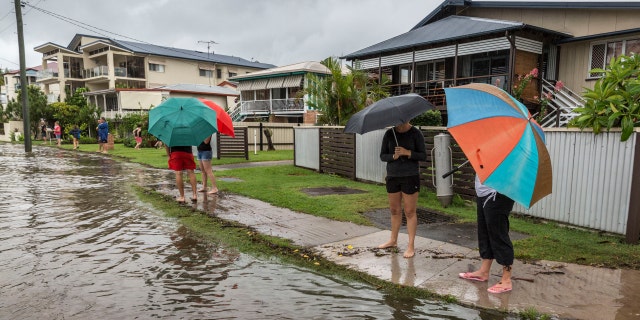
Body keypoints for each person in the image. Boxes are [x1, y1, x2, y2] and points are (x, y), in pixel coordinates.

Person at [458, 175, 516, 294]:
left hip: (498, 193)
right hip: (483, 193)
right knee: (484, 233)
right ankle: (484, 271)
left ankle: (506, 279)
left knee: (499, 234)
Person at [378, 122, 426, 258]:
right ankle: (393, 240)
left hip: (410, 176)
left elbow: (423, 155)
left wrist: (408, 153)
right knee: (394, 210)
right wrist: (393, 156)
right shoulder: (389, 134)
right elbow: (382, 156)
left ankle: (411, 245)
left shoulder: (416, 133)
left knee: (410, 211)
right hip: (393, 176)